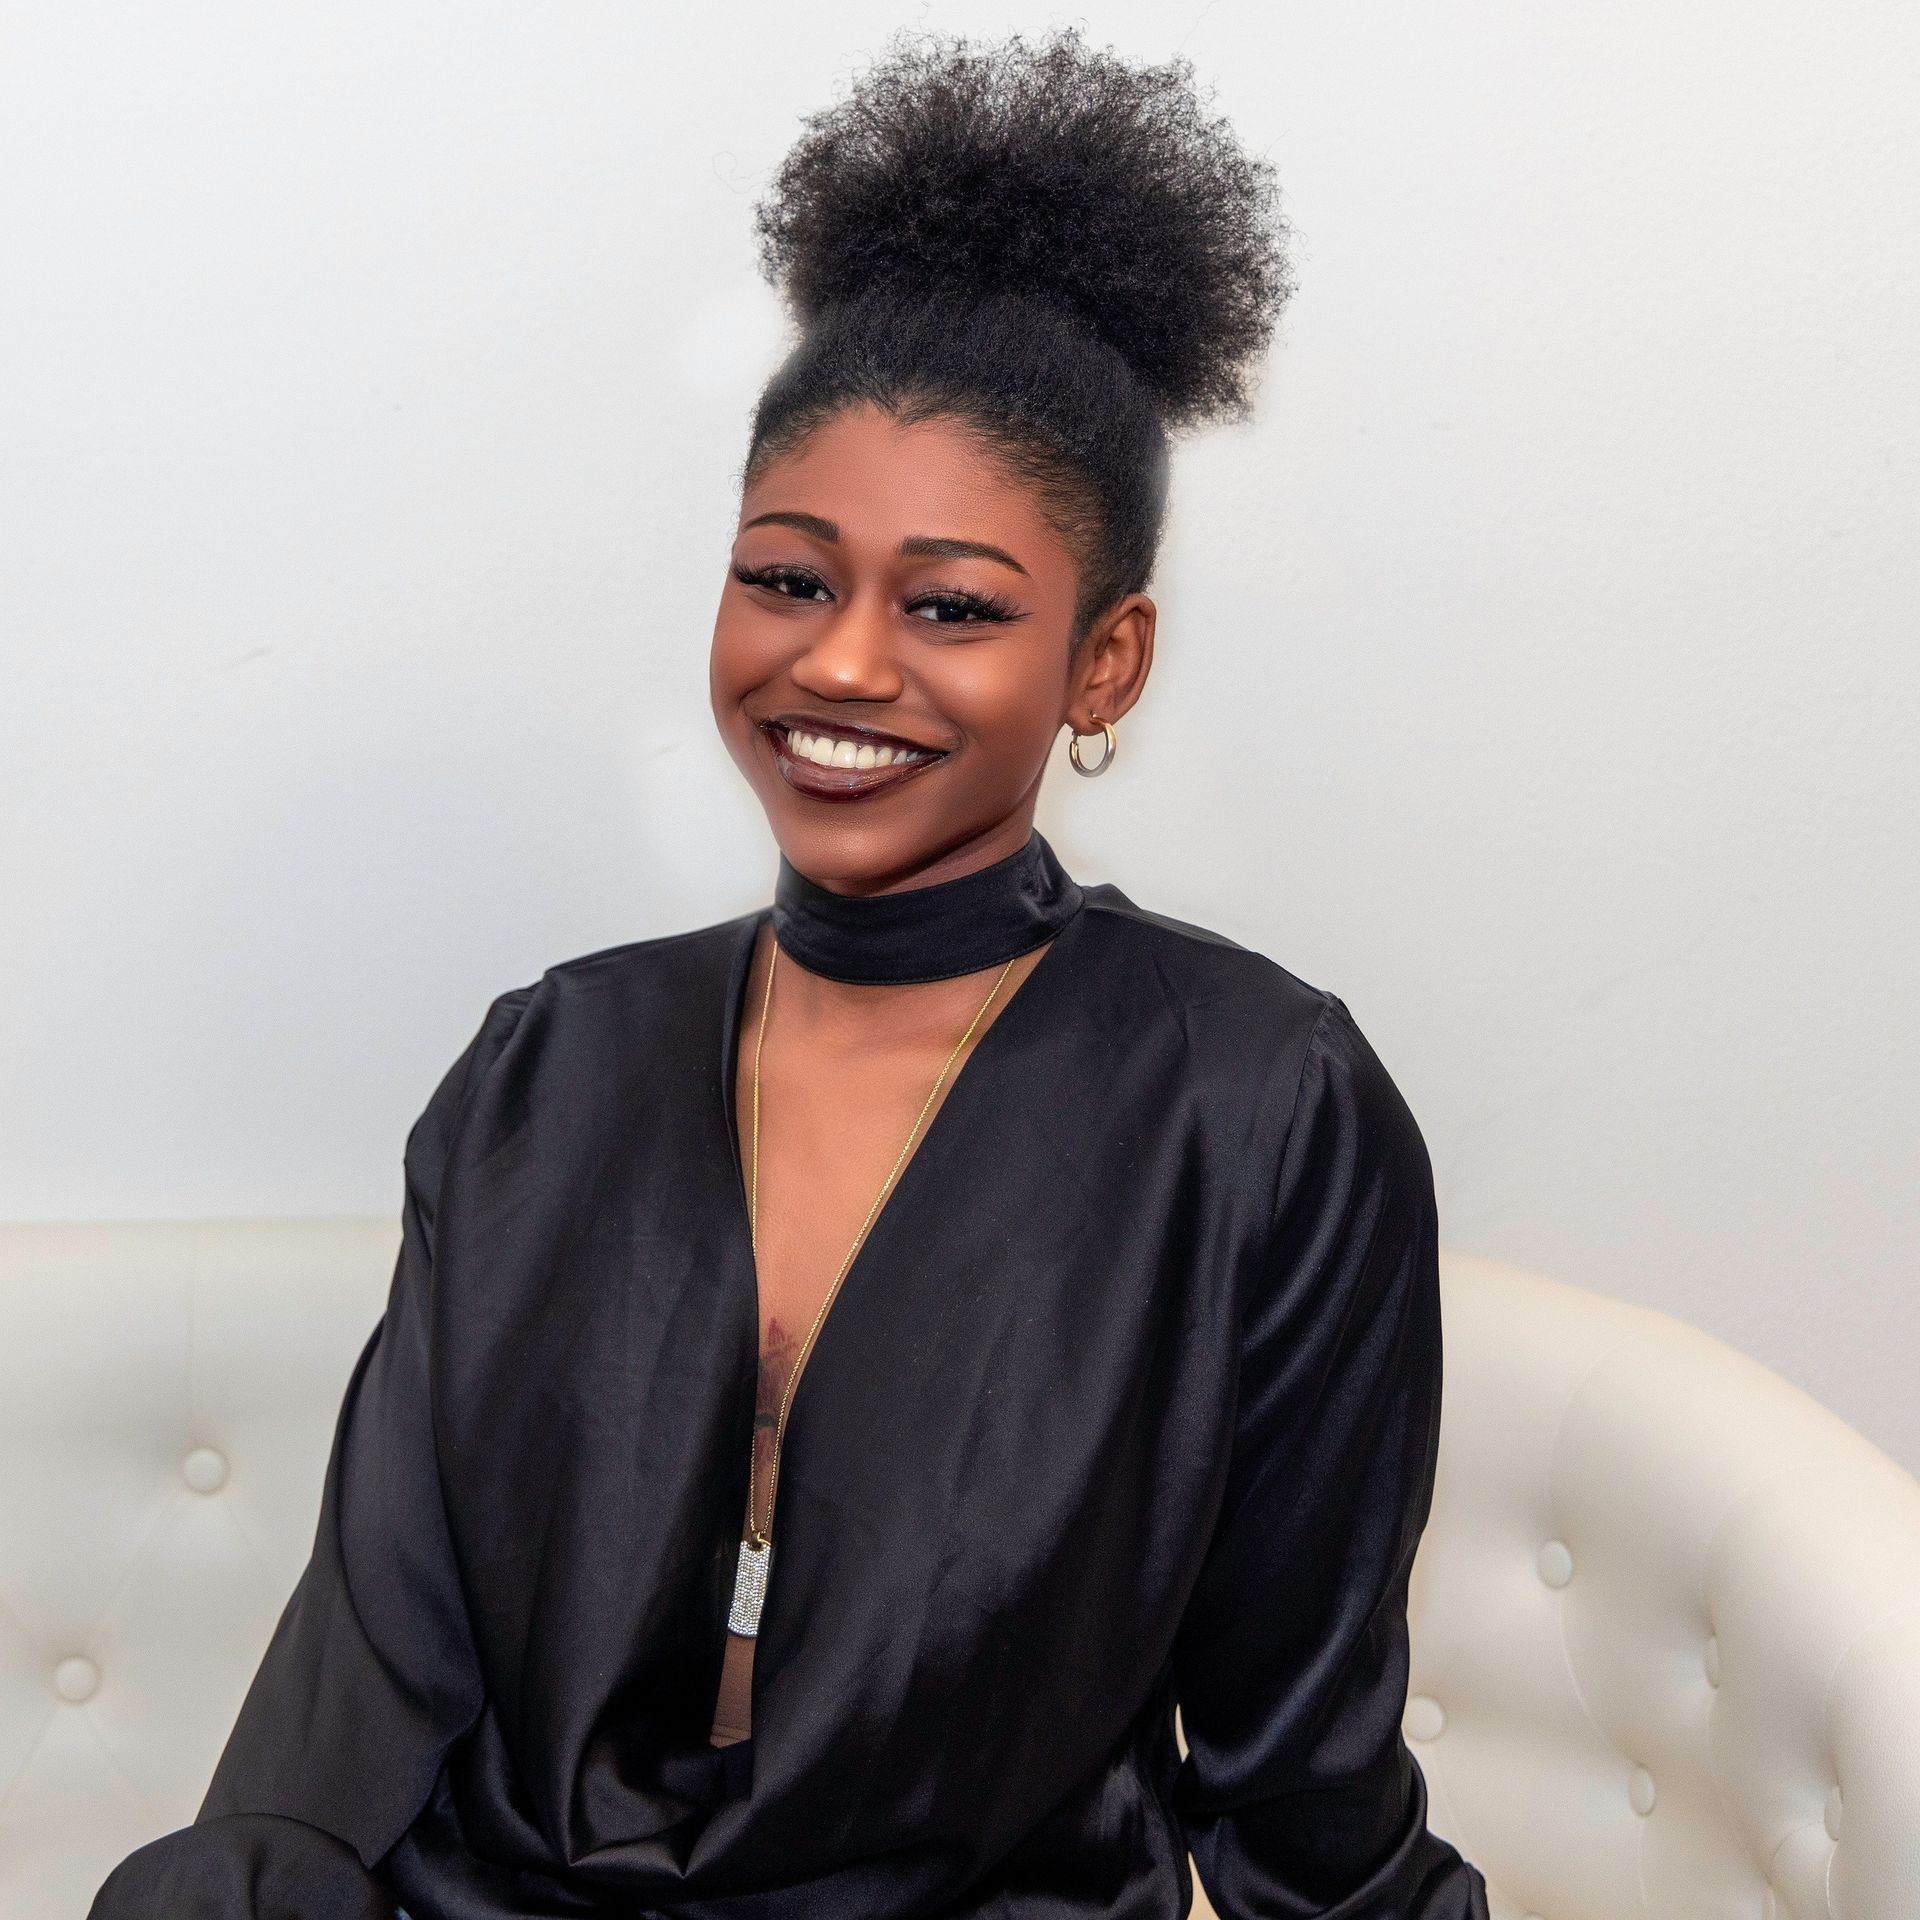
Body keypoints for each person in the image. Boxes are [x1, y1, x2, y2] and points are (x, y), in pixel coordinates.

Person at [91, 25, 1491, 1920]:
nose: (838, 663)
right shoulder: (549, 1067)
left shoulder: (1258, 1111)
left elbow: (1300, 1781)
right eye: (787, 576)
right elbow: (364, 1684)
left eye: (953, 606)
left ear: (1105, 663)